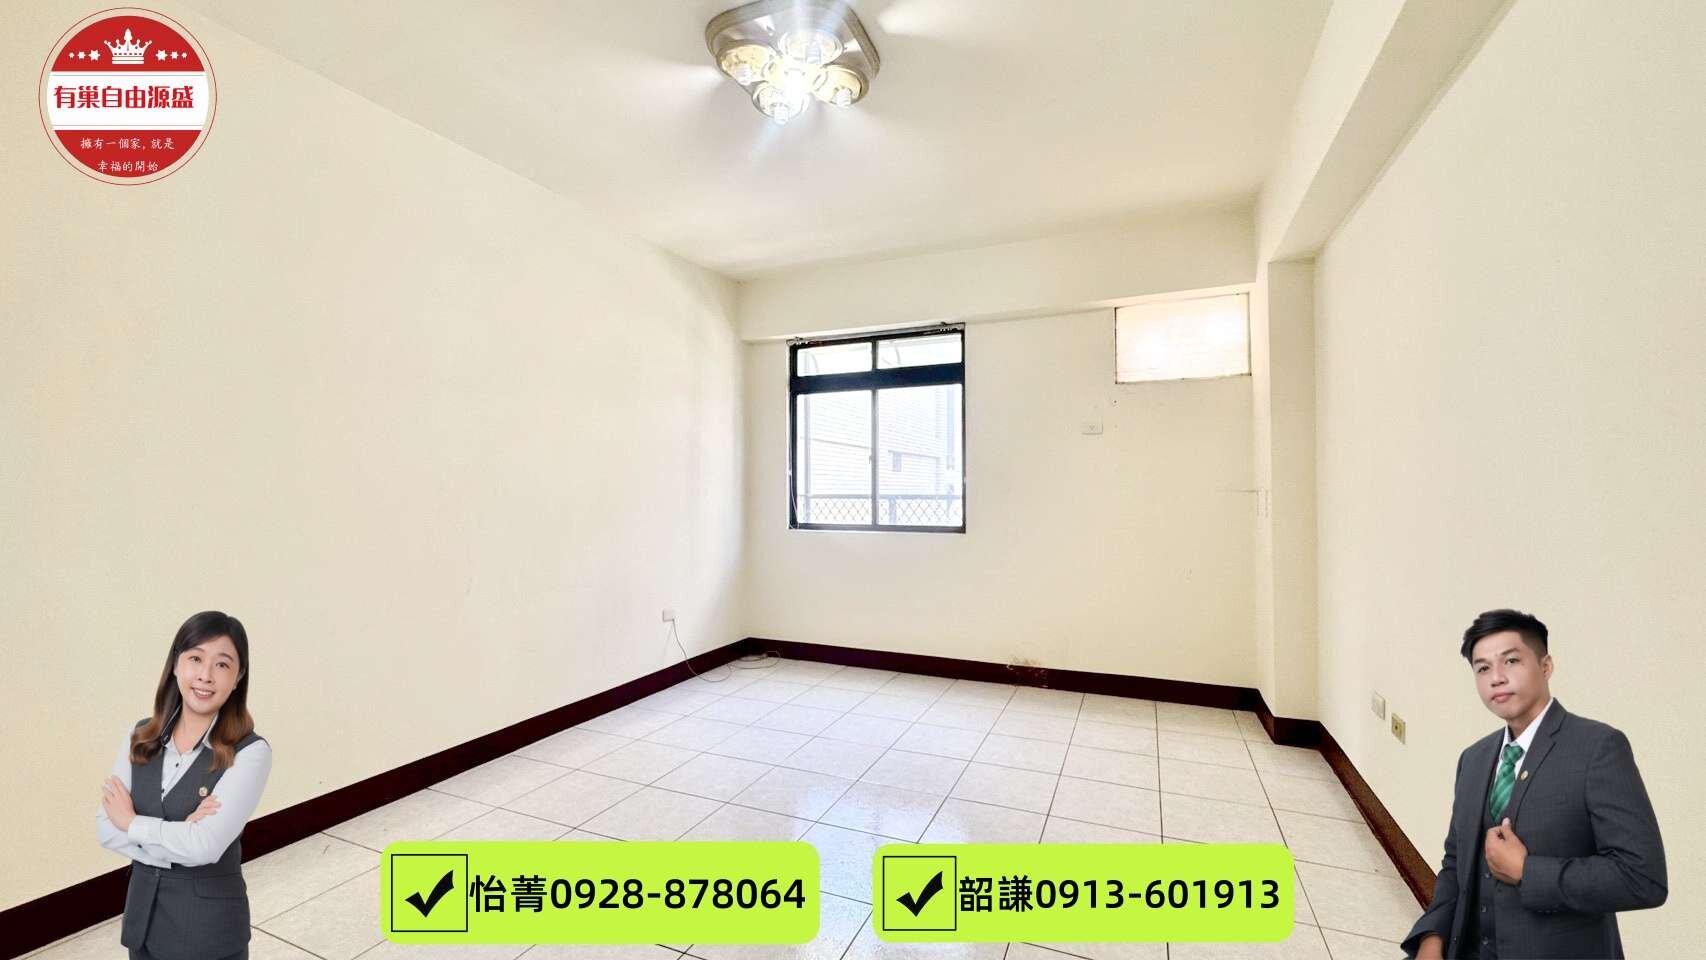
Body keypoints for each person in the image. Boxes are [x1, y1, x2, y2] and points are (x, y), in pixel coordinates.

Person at [1401, 609, 1666, 959]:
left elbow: (1642, 877)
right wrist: (1432, 937)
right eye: (1483, 668)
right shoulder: (1474, 759)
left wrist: (1527, 872)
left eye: (1511, 661)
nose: (1496, 678)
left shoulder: (1598, 748)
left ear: (1546, 666)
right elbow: (1455, 862)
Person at [97, 611, 273, 960]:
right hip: (143, 925)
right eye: (195, 658)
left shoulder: (251, 753)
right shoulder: (140, 736)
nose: (205, 675)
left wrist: (131, 822)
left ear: (238, 677)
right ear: (176, 664)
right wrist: (181, 837)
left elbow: (204, 847)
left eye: (222, 664)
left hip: (208, 933)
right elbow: (105, 829)